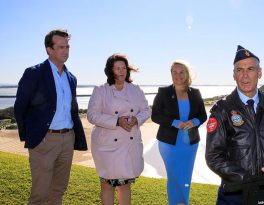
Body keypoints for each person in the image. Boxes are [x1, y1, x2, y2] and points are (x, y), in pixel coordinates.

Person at [205, 45, 264, 204]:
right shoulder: (222, 110)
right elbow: (213, 155)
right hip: (234, 195)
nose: (245, 75)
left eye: (250, 69)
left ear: (259, 73)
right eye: (239, 70)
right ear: (234, 75)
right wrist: (246, 179)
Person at [14, 29, 88, 205]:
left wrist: (72, 137)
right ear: (49, 49)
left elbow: (72, 110)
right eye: (61, 47)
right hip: (44, 140)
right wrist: (32, 136)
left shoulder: (71, 78)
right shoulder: (34, 73)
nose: (66, 50)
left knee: (58, 191)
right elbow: (20, 108)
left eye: (67, 46)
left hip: (67, 139)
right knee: (40, 194)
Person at [87, 53, 150, 205]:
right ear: (110, 70)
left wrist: (136, 119)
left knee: (125, 184)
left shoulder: (136, 90)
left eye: (123, 68)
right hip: (107, 145)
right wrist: (116, 121)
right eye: (117, 68)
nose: (121, 71)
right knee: (107, 184)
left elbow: (146, 110)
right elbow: (92, 115)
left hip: (130, 143)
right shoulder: (101, 90)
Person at [151, 60, 207, 205]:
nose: (178, 75)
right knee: (174, 176)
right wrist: (174, 122)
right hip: (168, 143)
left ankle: (183, 202)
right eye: (175, 72)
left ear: (187, 74)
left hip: (190, 144)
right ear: (171, 74)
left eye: (181, 72)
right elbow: (155, 115)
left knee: (185, 177)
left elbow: (203, 115)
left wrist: (194, 122)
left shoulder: (195, 93)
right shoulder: (163, 92)